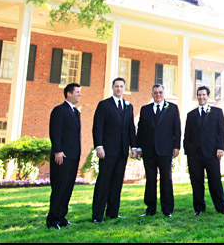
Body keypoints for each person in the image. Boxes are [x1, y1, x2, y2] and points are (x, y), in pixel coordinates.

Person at [91, 77, 137, 223]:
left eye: (121, 86)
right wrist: (99, 146)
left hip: (122, 151)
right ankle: (97, 215)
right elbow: (98, 127)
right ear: (112, 88)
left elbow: (131, 129)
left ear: (124, 88)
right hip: (108, 151)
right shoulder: (104, 105)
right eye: (116, 86)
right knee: (103, 182)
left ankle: (113, 212)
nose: (118, 89)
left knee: (117, 182)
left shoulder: (128, 106)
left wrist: (133, 147)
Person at [183, 85, 224, 215]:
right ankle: (199, 209)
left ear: (208, 96)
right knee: (196, 182)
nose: (201, 97)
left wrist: (221, 148)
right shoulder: (191, 115)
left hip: (212, 153)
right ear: (197, 97)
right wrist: (188, 152)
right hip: (195, 155)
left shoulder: (217, 112)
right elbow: (187, 135)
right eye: (199, 95)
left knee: (215, 181)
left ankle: (222, 208)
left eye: (204, 95)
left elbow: (222, 131)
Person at [136, 84, 181, 217]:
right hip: (149, 150)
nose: (158, 95)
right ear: (152, 94)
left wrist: (176, 146)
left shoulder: (172, 108)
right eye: (155, 92)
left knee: (166, 179)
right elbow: (141, 130)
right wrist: (138, 147)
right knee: (150, 180)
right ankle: (150, 209)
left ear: (164, 93)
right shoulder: (145, 109)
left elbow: (177, 129)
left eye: (160, 92)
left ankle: (167, 209)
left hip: (165, 150)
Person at [47, 83, 82, 230]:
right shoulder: (59, 110)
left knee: (68, 188)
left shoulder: (75, 112)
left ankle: (62, 217)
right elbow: (55, 132)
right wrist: (58, 151)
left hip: (73, 157)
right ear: (69, 94)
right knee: (59, 188)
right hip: (62, 156)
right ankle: (52, 220)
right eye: (77, 92)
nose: (79, 94)